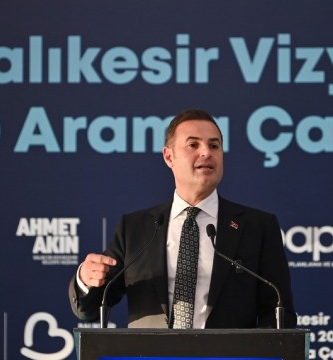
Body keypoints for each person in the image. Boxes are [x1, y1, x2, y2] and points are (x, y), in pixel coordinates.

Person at [69, 109, 296, 328]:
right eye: (193, 145)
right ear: (169, 156)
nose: (206, 152)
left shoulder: (258, 227)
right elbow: (89, 309)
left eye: (214, 145)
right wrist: (85, 279)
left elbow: (279, 313)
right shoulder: (134, 229)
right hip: (150, 352)